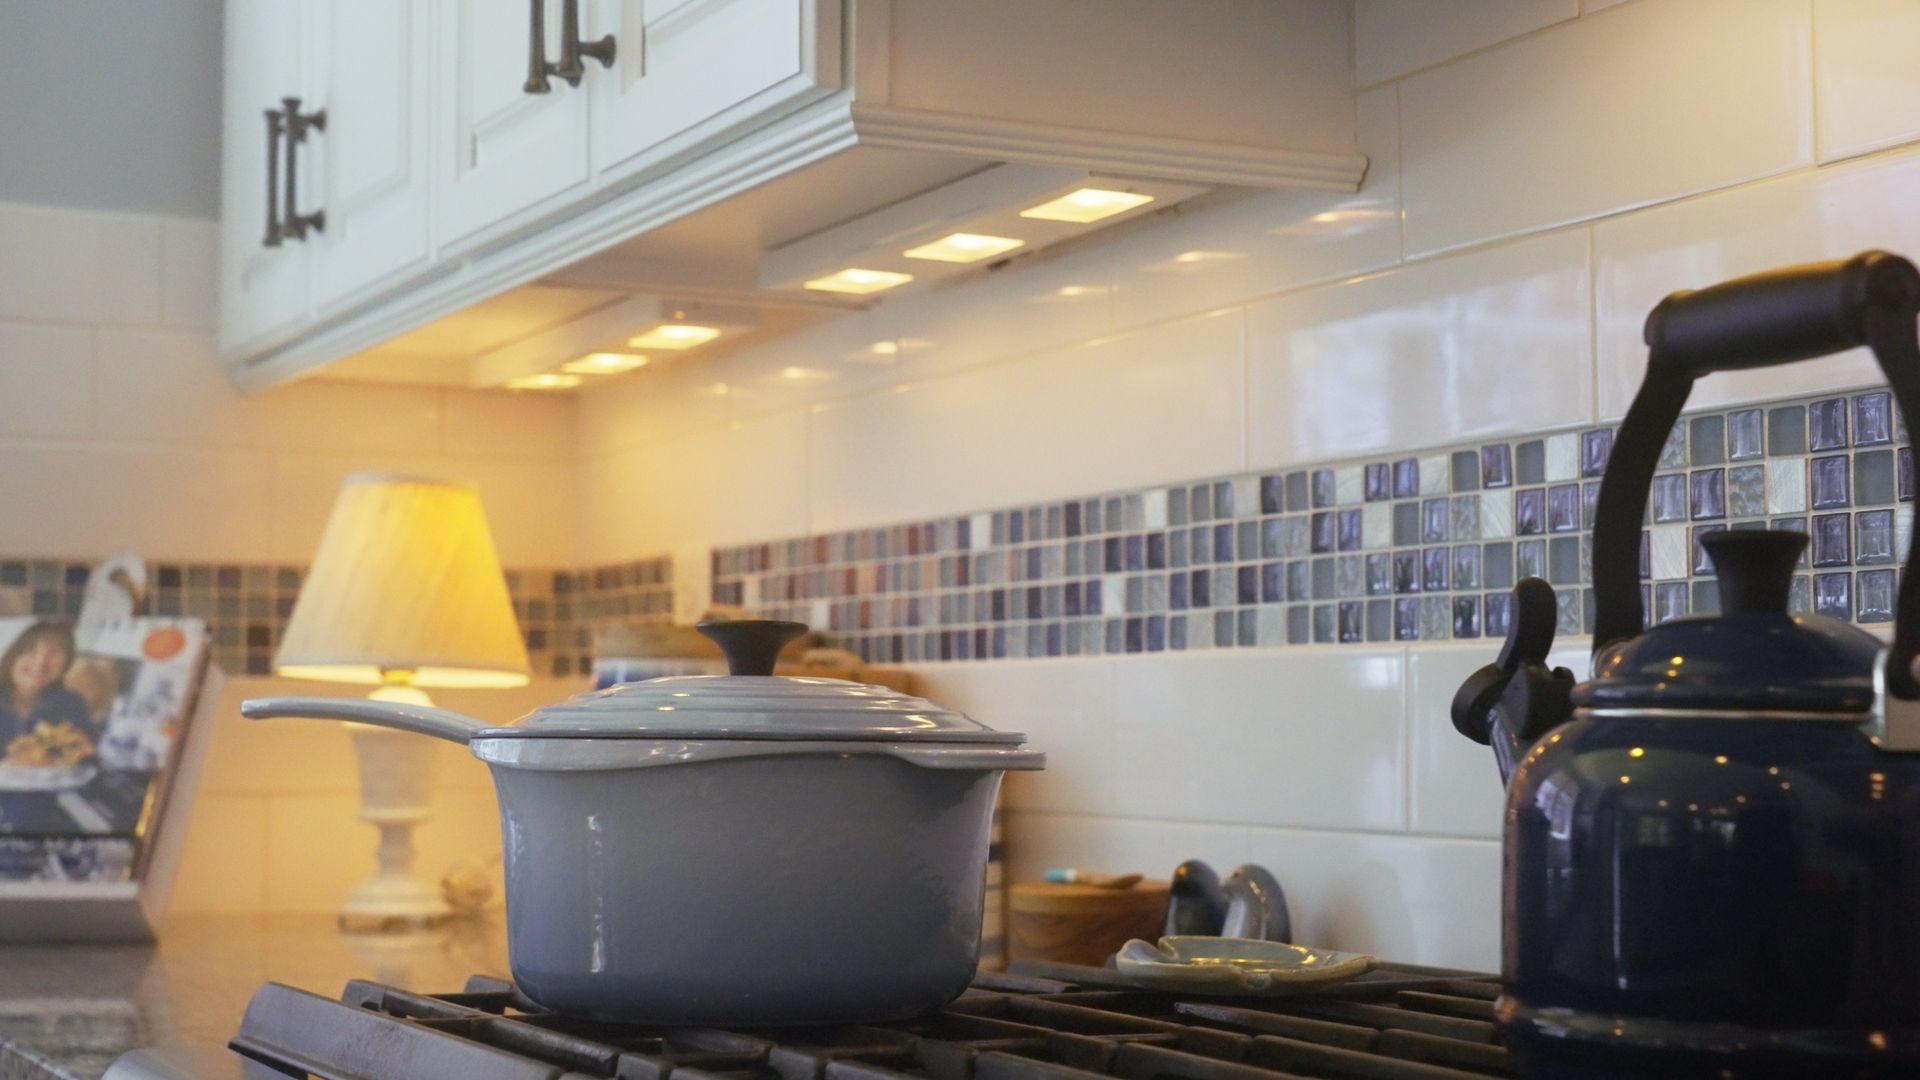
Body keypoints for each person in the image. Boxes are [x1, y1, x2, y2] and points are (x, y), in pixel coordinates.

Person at [0, 622, 91, 749]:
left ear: (66, 665)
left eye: (55, 653)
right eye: (31, 650)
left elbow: (85, 757)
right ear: (12, 657)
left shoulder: (71, 704)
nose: (41, 661)